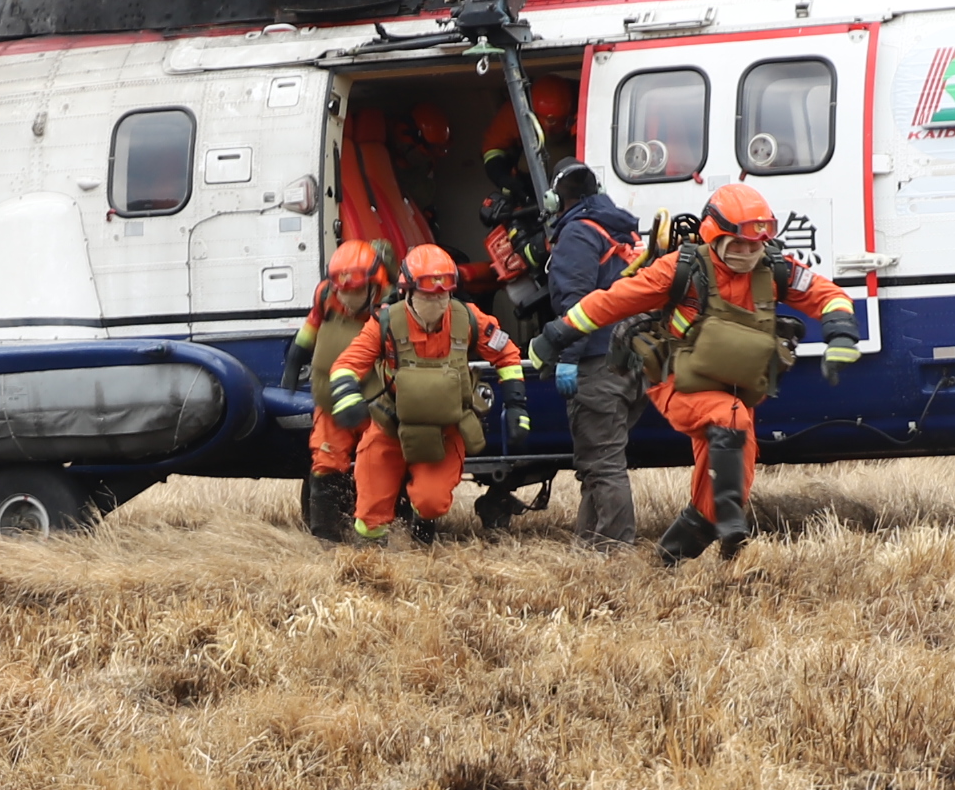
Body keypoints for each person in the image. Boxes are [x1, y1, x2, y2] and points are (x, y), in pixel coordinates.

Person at [551, 182, 862, 563]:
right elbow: (611, 302)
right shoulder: (679, 270)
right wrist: (557, 335)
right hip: (678, 381)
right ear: (715, 237)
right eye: (739, 245)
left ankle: (669, 558)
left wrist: (841, 332)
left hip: (737, 390)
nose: (748, 254)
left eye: (755, 245)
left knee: (734, 474)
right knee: (724, 417)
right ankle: (733, 524)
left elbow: (827, 294)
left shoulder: (777, 269)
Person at [326, 244, 528, 543]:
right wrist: (346, 397)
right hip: (390, 428)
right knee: (369, 515)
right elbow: (346, 364)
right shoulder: (385, 323)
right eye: (427, 294)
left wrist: (516, 405)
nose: (435, 300)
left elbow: (507, 355)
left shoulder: (468, 319)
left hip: (445, 431)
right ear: (408, 291)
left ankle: (422, 540)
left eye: (441, 293)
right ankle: (369, 562)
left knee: (430, 501)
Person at [539, 162, 648, 549]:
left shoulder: (578, 235)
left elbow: (577, 306)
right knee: (594, 462)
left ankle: (614, 552)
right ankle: (588, 546)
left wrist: (567, 356)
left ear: (557, 199)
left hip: (597, 363)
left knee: (602, 464)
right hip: (632, 359)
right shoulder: (623, 230)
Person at [282, 241, 394, 539]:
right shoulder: (326, 296)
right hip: (330, 403)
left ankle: (383, 530)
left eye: (354, 291)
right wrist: (295, 359)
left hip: (374, 404)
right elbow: (310, 328)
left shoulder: (392, 310)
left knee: (382, 464)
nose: (345, 296)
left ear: (374, 285)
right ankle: (326, 537)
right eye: (341, 289)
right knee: (326, 463)